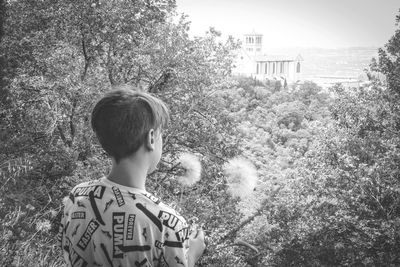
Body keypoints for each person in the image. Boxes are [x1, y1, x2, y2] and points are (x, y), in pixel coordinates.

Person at [58, 87, 206, 267]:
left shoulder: (77, 195)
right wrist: (192, 256)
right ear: (151, 138)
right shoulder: (169, 224)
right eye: (161, 135)